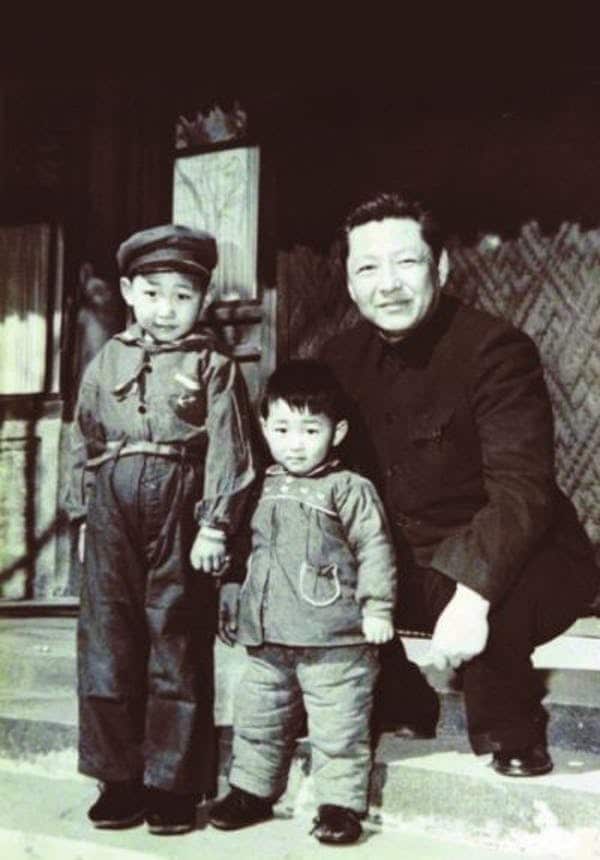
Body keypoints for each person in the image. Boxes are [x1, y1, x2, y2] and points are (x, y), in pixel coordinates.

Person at [320, 191, 600, 777]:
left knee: (497, 599)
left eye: (407, 262)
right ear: (349, 283)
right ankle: (399, 696)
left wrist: (472, 597)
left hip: (522, 550)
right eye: (368, 268)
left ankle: (513, 728)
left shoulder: (495, 349)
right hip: (408, 557)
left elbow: (523, 490)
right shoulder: (338, 362)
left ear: (440, 268)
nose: (388, 284)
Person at [62, 224, 256, 835]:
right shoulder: (106, 360)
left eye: (181, 295)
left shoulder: (215, 366)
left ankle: (172, 785)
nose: (165, 308)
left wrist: (216, 525)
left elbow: (230, 450)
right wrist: (82, 516)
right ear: (127, 292)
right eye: (152, 293)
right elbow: (82, 437)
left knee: (175, 641)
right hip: (112, 509)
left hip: (181, 507)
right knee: (107, 641)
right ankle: (117, 779)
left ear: (202, 301)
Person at [209, 360, 397, 845]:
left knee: (338, 728)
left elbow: (375, 549)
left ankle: (340, 806)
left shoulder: (349, 489)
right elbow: (246, 549)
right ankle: (251, 791)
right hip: (269, 638)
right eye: (283, 429)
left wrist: (377, 607)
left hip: (334, 641)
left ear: (337, 433)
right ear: (265, 428)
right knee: (257, 718)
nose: (296, 443)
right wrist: (232, 592)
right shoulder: (262, 486)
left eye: (311, 430)